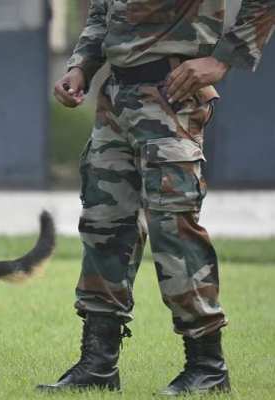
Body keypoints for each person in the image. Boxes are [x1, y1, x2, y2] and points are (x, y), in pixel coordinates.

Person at [38, 0, 275, 395]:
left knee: (174, 229)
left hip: (172, 97)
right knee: (104, 225)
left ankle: (207, 366)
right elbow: (102, 11)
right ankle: (98, 365)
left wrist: (223, 59)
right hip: (116, 98)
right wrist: (81, 67)